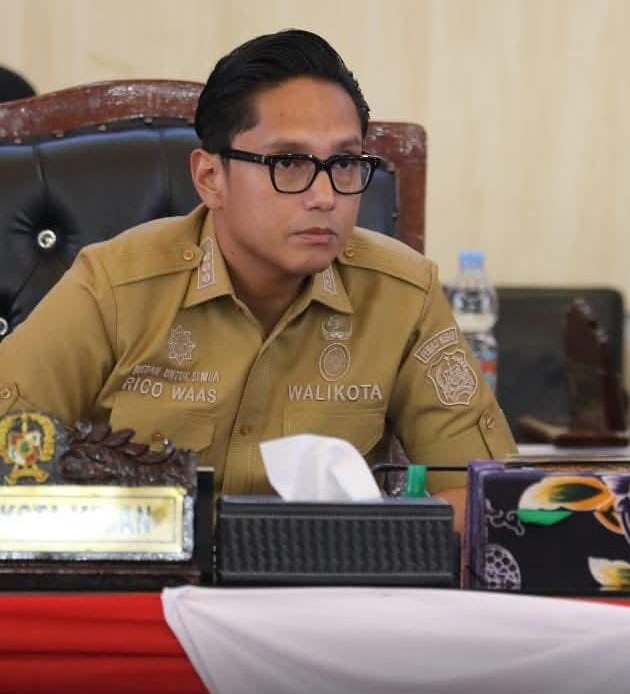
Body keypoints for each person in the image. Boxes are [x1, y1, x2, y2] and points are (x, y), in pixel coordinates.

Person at [0, 29, 515, 529]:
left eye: (344, 162)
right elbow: (9, 454)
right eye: (288, 163)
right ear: (210, 178)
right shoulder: (113, 287)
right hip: (148, 576)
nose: (325, 196)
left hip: (329, 577)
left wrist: (371, 538)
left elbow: (485, 498)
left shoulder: (404, 295)